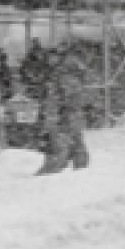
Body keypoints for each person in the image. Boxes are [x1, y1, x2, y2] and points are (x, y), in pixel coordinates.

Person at [35, 45, 91, 176]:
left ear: (59, 57)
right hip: (71, 115)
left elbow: (59, 99)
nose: (49, 59)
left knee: (61, 146)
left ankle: (50, 173)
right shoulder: (70, 73)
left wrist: (53, 115)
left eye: (51, 56)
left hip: (66, 116)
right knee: (75, 142)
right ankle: (81, 170)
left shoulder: (63, 75)